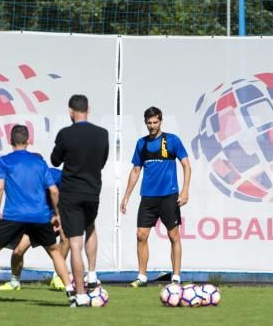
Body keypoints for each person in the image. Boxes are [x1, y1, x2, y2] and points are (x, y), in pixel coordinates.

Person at [0, 125, 73, 304]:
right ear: (28, 141)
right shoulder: (40, 163)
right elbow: (54, 190)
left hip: (14, 215)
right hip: (40, 216)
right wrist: (57, 214)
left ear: (10, 141)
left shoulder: (5, 160)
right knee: (54, 252)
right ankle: (71, 291)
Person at [120, 106, 191, 287]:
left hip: (169, 195)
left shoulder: (172, 140)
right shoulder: (141, 144)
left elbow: (186, 165)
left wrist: (185, 190)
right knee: (141, 235)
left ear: (161, 121)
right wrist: (126, 196)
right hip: (148, 198)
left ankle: (176, 276)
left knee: (173, 235)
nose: (152, 125)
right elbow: (136, 170)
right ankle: (142, 276)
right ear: (145, 123)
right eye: (149, 122)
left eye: (155, 122)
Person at [50, 94, 109, 300]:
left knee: (75, 243)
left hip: (71, 192)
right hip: (92, 191)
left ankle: (81, 294)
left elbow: (55, 161)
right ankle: (92, 273)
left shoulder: (65, 134)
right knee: (91, 226)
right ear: (88, 109)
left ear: (70, 111)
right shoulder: (102, 134)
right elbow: (102, 162)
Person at [0, 167, 65, 292]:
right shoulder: (22, 178)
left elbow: (64, 189)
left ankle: (61, 279)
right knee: (18, 252)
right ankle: (15, 282)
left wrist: (58, 213)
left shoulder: (53, 174)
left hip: (46, 222)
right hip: (31, 223)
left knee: (59, 247)